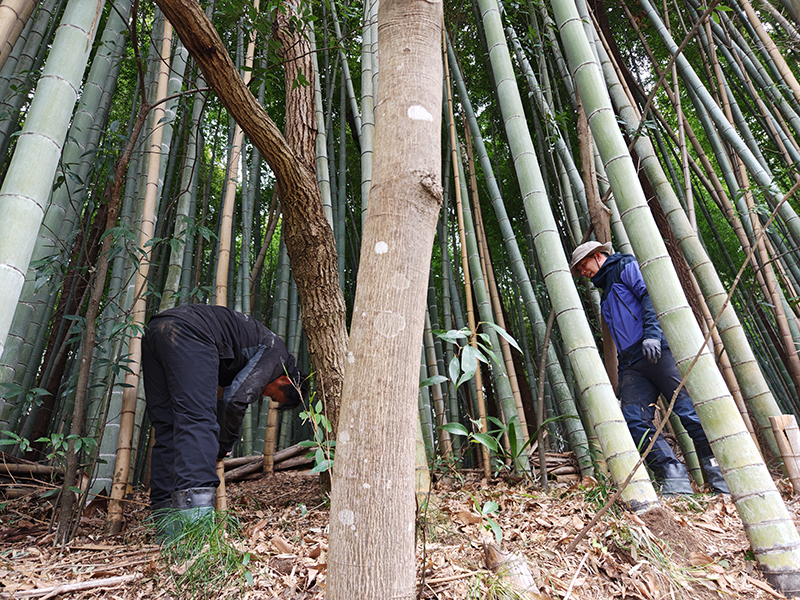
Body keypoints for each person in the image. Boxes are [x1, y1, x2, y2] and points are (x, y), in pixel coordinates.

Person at [570, 241, 728, 495]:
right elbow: (620, 337)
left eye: (583, 265)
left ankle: (719, 476)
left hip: (658, 351)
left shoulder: (625, 265)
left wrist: (653, 334)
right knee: (633, 420)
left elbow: (649, 295)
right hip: (633, 364)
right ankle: (673, 477)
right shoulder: (605, 294)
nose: (583, 272)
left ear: (598, 256)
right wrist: (622, 376)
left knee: (688, 412)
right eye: (579, 269)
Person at [141, 304, 307, 531]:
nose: (266, 396)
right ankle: (195, 530)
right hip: (192, 332)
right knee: (197, 421)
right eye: (274, 396)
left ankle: (165, 527)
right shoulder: (276, 354)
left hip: (156, 329)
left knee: (167, 427)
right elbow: (235, 399)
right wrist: (223, 446)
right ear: (285, 382)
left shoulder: (264, 345)